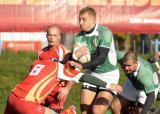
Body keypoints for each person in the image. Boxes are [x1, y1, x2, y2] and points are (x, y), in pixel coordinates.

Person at [4, 59, 122, 114]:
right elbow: (84, 77)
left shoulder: (39, 62)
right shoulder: (60, 68)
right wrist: (108, 85)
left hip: (12, 96)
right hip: (26, 103)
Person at [70, 7, 120, 114]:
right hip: (92, 73)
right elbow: (74, 58)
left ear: (93, 20)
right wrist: (76, 55)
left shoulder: (104, 32)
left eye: (83, 19)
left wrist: (82, 66)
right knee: (85, 111)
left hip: (109, 75)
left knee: (97, 111)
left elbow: (101, 58)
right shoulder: (79, 37)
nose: (80, 22)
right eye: (79, 19)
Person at [37, 25, 73, 112]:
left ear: (59, 37)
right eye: (50, 35)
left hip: (57, 91)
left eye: (54, 35)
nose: (52, 38)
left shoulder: (65, 53)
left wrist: (67, 89)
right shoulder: (41, 52)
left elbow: (73, 73)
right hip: (43, 89)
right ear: (46, 36)